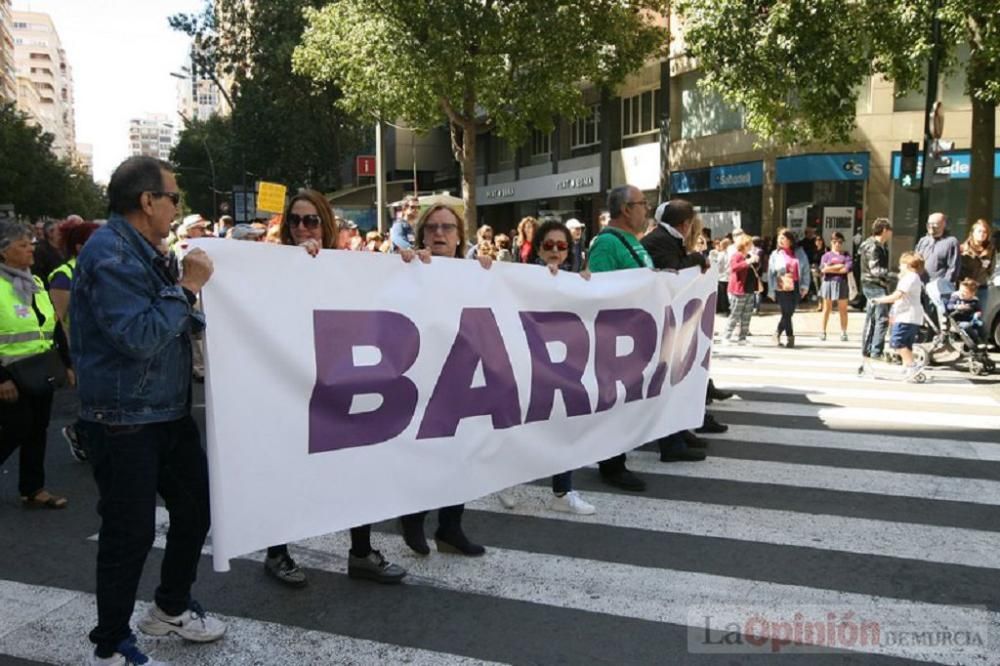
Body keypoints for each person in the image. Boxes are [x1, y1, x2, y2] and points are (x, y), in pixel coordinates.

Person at [70, 156, 226, 665]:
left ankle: (169, 607)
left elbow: (171, 318)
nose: (177, 208)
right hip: (123, 420)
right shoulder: (111, 254)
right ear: (147, 201)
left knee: (196, 509)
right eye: (174, 198)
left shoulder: (145, 249)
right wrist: (187, 289)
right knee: (128, 533)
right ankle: (111, 640)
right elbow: (136, 336)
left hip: (165, 412)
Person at [267, 189, 407, 587]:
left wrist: (412, 264)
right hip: (291, 383)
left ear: (325, 225)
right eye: (294, 220)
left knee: (355, 469)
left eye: (310, 220)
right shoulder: (268, 266)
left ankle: (361, 553)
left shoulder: (348, 266)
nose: (301, 228)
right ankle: (277, 551)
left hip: (342, 384)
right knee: (289, 470)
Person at [398, 202, 492, 556]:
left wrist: (487, 273)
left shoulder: (474, 272)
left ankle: (451, 527)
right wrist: (403, 268)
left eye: (447, 227)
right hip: (419, 376)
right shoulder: (407, 267)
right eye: (432, 227)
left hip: (462, 377)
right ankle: (413, 517)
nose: (439, 233)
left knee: (462, 453)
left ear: (458, 236)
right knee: (424, 453)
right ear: (422, 233)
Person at [498, 220, 596, 515]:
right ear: (538, 248)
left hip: (565, 367)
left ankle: (562, 491)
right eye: (549, 245)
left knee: (564, 428)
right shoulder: (520, 277)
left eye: (562, 245)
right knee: (527, 426)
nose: (555, 251)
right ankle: (506, 480)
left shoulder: (577, 279)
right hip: (529, 365)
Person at [0, 220, 69, 510]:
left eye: (31, 244)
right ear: (4, 252)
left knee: (37, 429)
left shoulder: (36, 281)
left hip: (40, 368)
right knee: (17, 428)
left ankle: (33, 489)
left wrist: (66, 363)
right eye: (23, 245)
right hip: (10, 373)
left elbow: (52, 324)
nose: (31, 250)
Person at [47, 217, 100, 462]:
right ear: (80, 247)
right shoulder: (64, 275)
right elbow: (58, 320)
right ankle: (78, 432)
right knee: (94, 401)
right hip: (82, 350)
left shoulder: (100, 267)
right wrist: (68, 360)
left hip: (101, 347)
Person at [873, 252, 926, 380]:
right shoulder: (913, 277)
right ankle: (906, 366)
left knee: (897, 342)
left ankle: (912, 365)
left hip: (907, 316)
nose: (899, 267)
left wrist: (879, 300)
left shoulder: (910, 277)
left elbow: (897, 295)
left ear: (907, 265)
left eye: (901, 264)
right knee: (907, 344)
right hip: (910, 316)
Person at [767, 228, 810, 348]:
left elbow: (806, 270)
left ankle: (777, 333)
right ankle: (790, 337)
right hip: (781, 285)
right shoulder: (775, 254)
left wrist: (805, 286)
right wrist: (771, 290)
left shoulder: (800, 253)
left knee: (789, 313)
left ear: (790, 240)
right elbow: (771, 274)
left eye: (783, 238)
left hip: (796, 285)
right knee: (785, 311)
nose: (780, 240)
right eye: (779, 238)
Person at [858, 218, 893, 359]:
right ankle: (876, 350)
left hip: (872, 284)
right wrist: (895, 275)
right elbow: (875, 270)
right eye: (890, 230)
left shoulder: (876, 245)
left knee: (873, 318)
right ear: (884, 230)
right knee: (881, 319)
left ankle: (868, 348)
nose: (891, 233)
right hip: (874, 284)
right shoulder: (873, 246)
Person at [915, 212, 959, 318]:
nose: (931, 226)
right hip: (921, 287)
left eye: (935, 224)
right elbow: (915, 260)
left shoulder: (951, 242)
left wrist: (943, 288)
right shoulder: (923, 241)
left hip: (937, 290)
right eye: (929, 223)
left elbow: (953, 267)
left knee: (936, 319)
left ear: (943, 224)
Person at [723, 234, 760, 344]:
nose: (751, 246)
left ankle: (742, 337)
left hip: (749, 289)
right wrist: (748, 262)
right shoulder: (737, 255)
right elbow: (734, 268)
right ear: (744, 245)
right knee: (735, 314)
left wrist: (755, 261)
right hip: (738, 290)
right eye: (750, 244)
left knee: (747, 314)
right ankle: (726, 336)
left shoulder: (748, 255)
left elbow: (753, 270)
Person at [819, 232, 853, 342]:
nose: (837, 244)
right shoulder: (826, 255)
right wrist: (839, 266)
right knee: (826, 309)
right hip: (828, 282)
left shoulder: (846, 255)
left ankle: (843, 332)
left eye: (839, 242)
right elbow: (823, 269)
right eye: (835, 242)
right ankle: (823, 331)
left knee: (843, 309)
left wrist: (831, 267)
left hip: (842, 282)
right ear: (831, 242)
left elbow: (845, 270)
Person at [958, 219, 996, 307]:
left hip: (982, 288)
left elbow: (991, 269)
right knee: (963, 315)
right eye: (979, 231)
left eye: (985, 232)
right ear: (973, 233)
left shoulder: (991, 250)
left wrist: (983, 278)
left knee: (979, 316)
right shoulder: (962, 249)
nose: (982, 234)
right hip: (965, 289)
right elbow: (957, 269)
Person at [947, 278, 986, 345]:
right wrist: (957, 306)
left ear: (972, 294)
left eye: (965, 292)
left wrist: (978, 312)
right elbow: (949, 306)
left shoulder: (974, 300)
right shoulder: (956, 297)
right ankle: (976, 340)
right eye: (960, 290)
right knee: (967, 326)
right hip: (958, 321)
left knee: (981, 326)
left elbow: (977, 309)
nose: (962, 293)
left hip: (971, 319)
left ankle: (982, 340)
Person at [31, 218, 65, 288]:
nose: (63, 233)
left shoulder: (65, 249)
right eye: (60, 231)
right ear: (50, 233)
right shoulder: (39, 251)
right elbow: (38, 276)